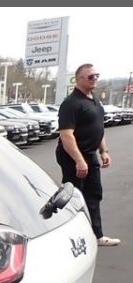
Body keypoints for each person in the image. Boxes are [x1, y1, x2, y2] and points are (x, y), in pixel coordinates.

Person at [56, 63, 121, 246]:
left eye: (96, 76)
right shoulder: (71, 104)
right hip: (73, 156)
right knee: (75, 197)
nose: (95, 79)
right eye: (90, 76)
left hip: (90, 154)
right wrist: (78, 160)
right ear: (78, 79)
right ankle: (70, 238)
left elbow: (98, 129)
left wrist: (104, 151)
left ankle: (97, 236)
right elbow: (66, 135)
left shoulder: (94, 101)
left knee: (94, 194)